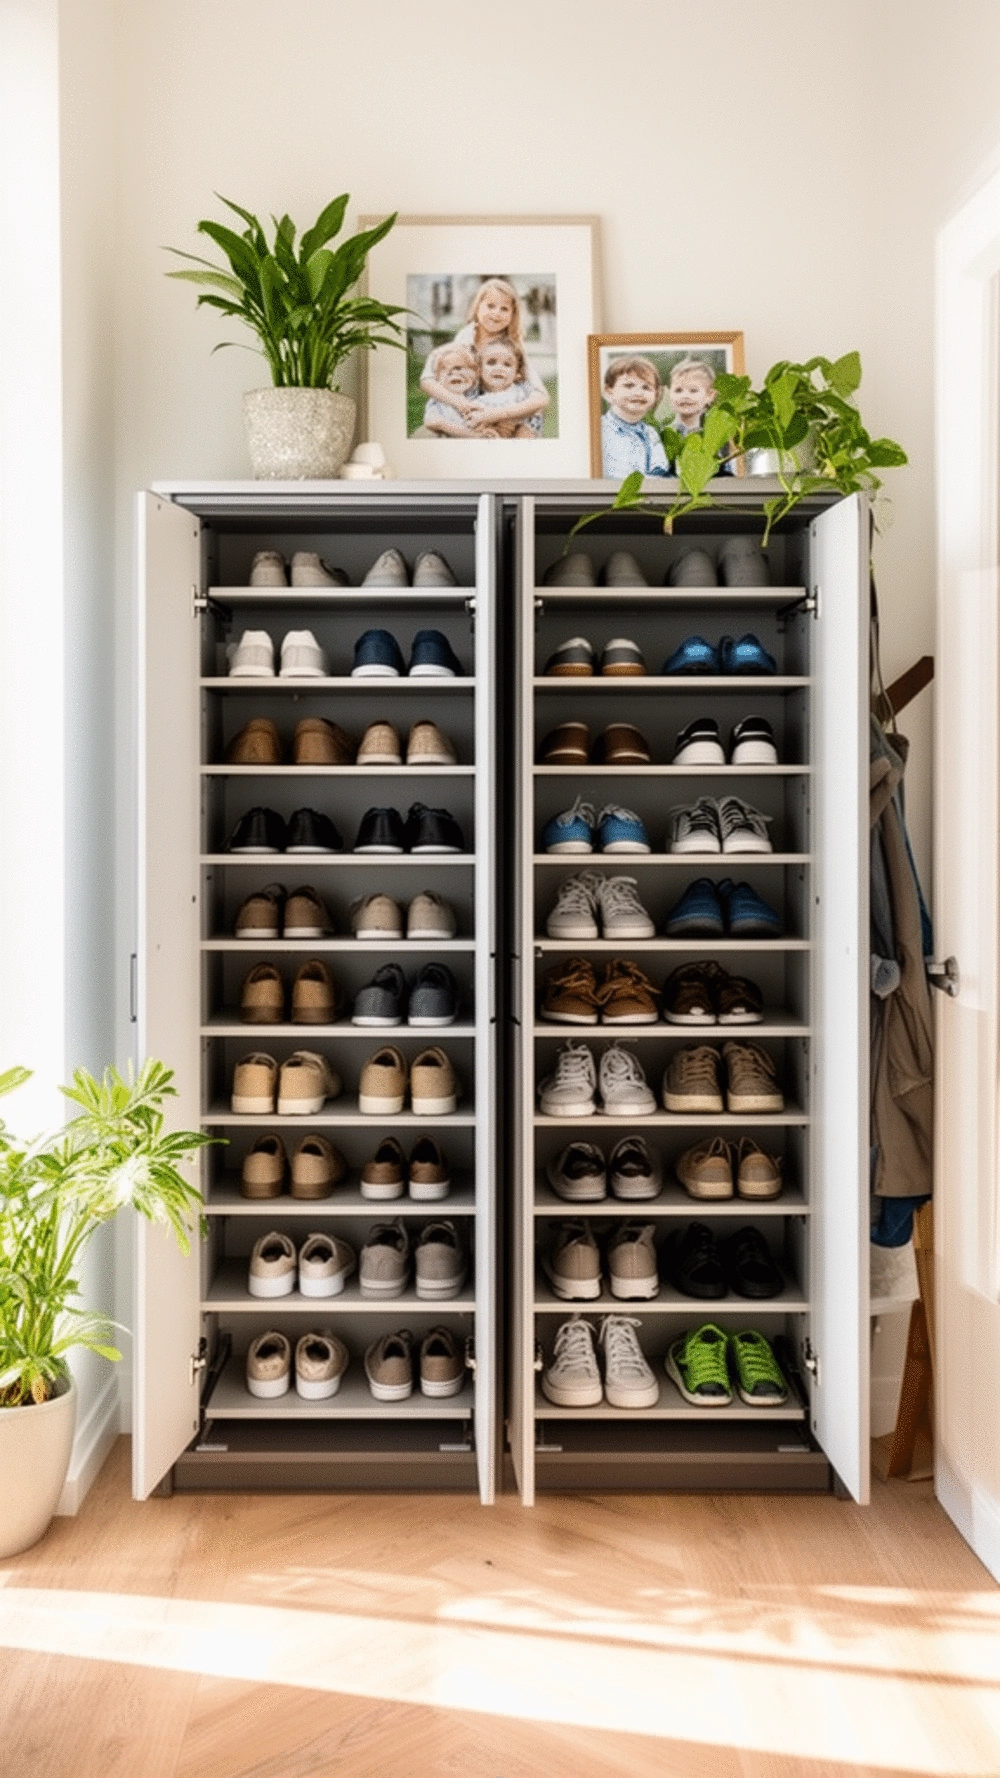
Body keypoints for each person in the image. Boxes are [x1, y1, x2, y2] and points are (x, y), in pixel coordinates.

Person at [420, 277, 550, 431]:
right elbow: (427, 379)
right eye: (490, 306)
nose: (496, 313)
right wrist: (460, 403)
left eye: (504, 309)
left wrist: (496, 415)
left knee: (534, 409)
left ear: (512, 314)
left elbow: (541, 396)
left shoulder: (511, 346)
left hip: (503, 404)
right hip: (471, 404)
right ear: (478, 307)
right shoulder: (466, 338)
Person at [664, 355, 735, 475]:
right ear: (670, 393)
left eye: (693, 390)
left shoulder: (715, 436)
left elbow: (726, 475)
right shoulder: (663, 435)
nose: (685, 396)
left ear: (710, 396)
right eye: (678, 390)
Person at [600, 355, 669, 477]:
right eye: (629, 386)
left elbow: (659, 473)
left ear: (656, 395)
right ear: (609, 392)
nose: (638, 393)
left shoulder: (650, 434)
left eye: (646, 387)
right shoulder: (600, 430)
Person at [463, 338, 548, 437]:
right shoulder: (474, 395)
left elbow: (540, 401)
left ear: (517, 373)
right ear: (479, 369)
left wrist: (497, 416)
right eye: (491, 362)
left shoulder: (521, 391)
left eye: (507, 364)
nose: (499, 368)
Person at [422, 344, 482, 437]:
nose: (453, 373)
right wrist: (471, 435)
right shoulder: (439, 402)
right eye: (444, 370)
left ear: (476, 373)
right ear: (438, 380)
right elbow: (432, 422)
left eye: (459, 368)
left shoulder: (476, 394)